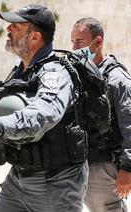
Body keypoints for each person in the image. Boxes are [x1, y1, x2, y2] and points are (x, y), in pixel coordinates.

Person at [0, 5, 89, 212]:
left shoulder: (54, 72)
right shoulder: (21, 70)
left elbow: (46, 112)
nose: (8, 30)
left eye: (16, 26)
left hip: (56, 183)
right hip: (19, 178)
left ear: (34, 37)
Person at [71, 17, 131, 212]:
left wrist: (128, 167)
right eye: (72, 41)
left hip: (105, 167)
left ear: (97, 42)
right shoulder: (80, 74)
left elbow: (129, 124)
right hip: (83, 163)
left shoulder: (117, 79)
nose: (74, 48)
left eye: (79, 42)